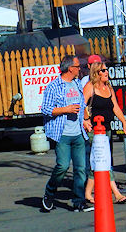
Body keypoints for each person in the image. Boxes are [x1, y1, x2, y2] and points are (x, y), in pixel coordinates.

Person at [41, 54, 93, 213]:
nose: (79, 69)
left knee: (81, 169)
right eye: (77, 67)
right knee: (62, 166)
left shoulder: (77, 83)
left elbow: (82, 104)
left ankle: (79, 201)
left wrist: (85, 120)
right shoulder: (53, 86)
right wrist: (66, 109)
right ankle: (49, 193)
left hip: (78, 133)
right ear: (70, 68)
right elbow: (46, 109)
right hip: (62, 134)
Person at [83, 61, 126, 205]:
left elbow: (115, 106)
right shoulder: (90, 87)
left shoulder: (108, 87)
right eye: (103, 70)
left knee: (99, 161)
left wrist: (124, 123)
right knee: (102, 159)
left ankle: (87, 193)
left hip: (107, 129)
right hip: (94, 130)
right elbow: (81, 105)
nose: (106, 72)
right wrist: (86, 120)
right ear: (96, 73)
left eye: (106, 70)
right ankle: (116, 193)